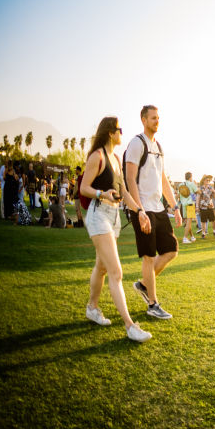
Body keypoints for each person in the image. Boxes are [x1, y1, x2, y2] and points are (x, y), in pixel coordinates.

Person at [80, 116, 153, 342]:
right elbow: (84, 188)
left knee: (101, 267)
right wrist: (102, 194)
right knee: (116, 272)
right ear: (111, 132)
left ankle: (92, 308)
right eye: (119, 129)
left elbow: (125, 192)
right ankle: (130, 326)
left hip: (113, 217)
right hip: (98, 214)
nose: (122, 132)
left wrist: (140, 211)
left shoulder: (114, 157)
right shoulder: (98, 156)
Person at [124, 105, 181, 321]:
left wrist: (175, 207)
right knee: (148, 257)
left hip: (158, 208)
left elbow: (163, 179)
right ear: (143, 120)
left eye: (158, 118)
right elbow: (130, 179)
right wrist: (139, 210)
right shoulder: (136, 143)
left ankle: (143, 285)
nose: (157, 121)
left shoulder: (158, 146)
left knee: (171, 250)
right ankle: (153, 304)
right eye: (153, 118)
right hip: (142, 208)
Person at [178, 171, 199, 243]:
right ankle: (185, 238)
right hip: (190, 204)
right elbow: (198, 192)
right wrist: (195, 184)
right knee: (189, 222)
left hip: (183, 205)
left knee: (187, 222)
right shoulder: (192, 184)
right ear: (190, 177)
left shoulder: (180, 184)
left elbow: (178, 195)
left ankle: (192, 237)